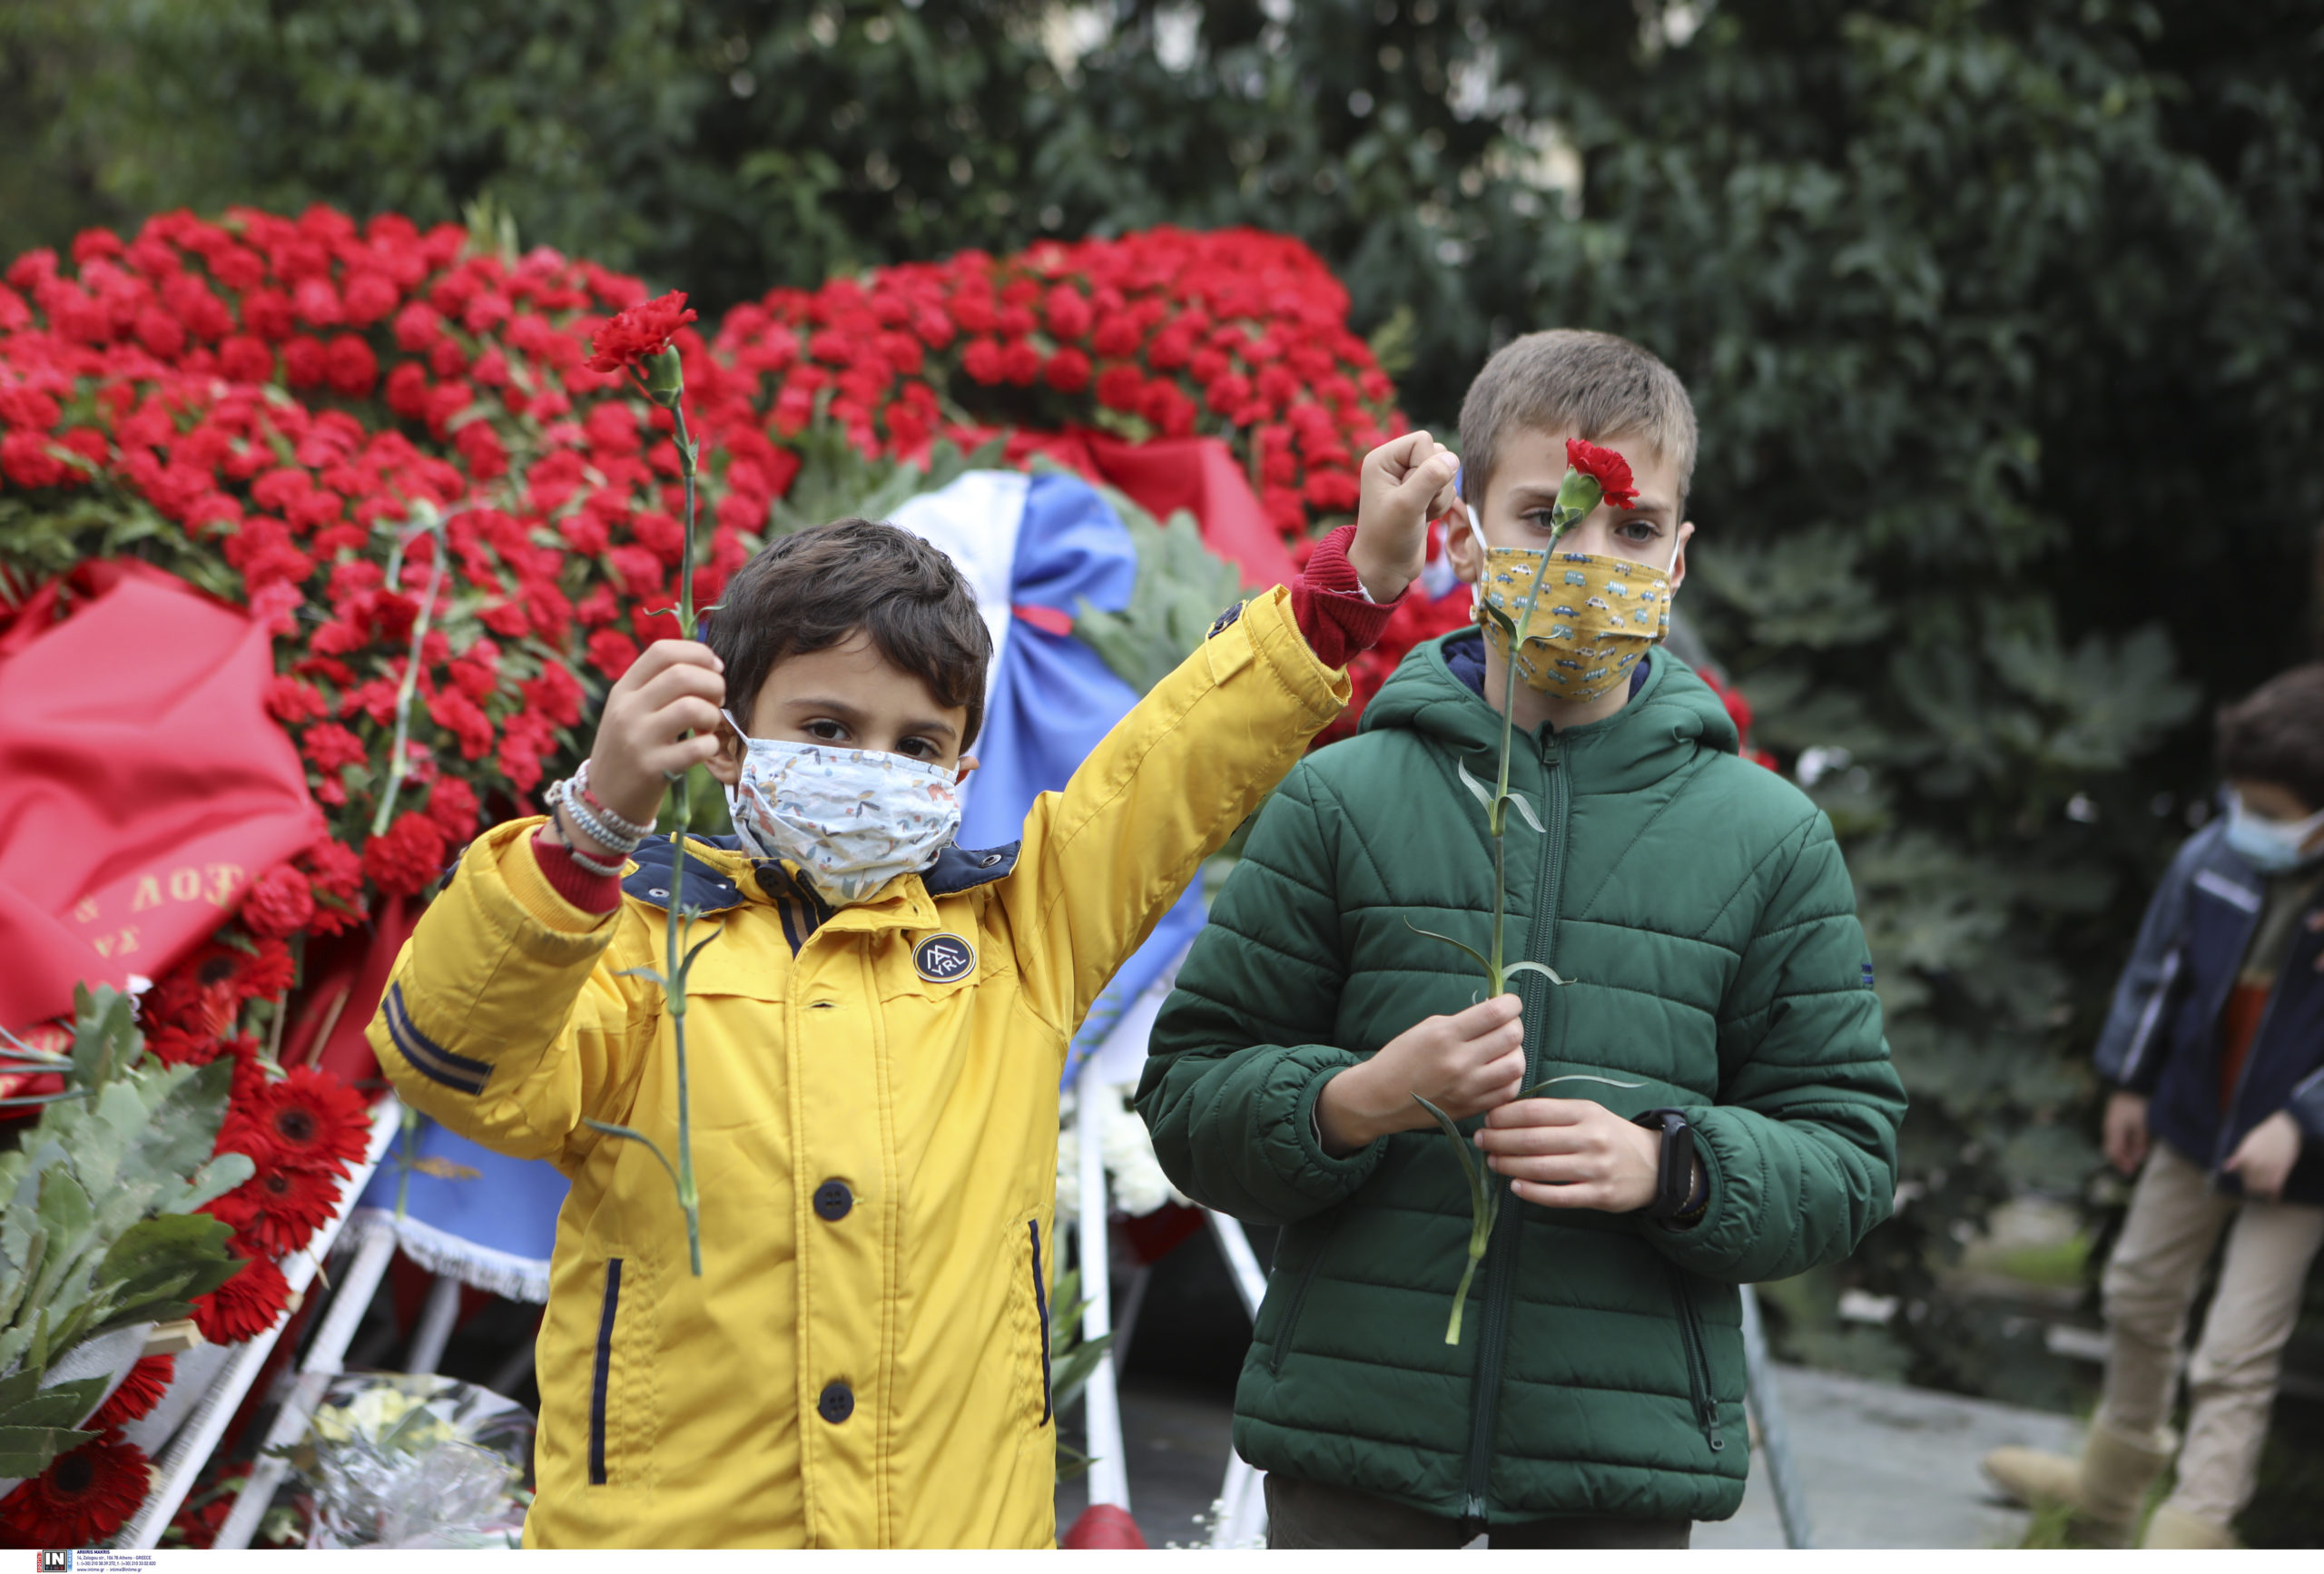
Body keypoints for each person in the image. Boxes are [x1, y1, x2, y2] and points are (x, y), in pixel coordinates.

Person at [362, 444, 1459, 1549]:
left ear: (961, 775)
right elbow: (458, 1062)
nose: (871, 765)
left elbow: (1172, 763)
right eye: (827, 730)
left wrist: (1351, 587)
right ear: (727, 745)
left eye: (916, 744)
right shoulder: (638, 943)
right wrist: (594, 824)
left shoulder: (1023, 935)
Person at [1137, 329, 1907, 1549]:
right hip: (1358, 1445)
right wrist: (1354, 1101)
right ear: (1463, 535)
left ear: (1678, 556)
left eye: (1633, 528)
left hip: (1612, 1473)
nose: (1589, 556)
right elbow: (1187, 1099)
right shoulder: (1341, 801)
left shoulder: (1769, 838)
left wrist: (1674, 1167)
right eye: (1548, 517)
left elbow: (1851, 1154)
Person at [1983, 666, 2324, 1549]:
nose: (2248, 822)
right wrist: (2130, 1083)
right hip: (2192, 1121)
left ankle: (2196, 1524)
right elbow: (2157, 971)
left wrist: (2301, 1121)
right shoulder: (2211, 859)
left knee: (2237, 1348)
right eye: (2241, 801)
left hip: (2300, 1167)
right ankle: (2108, 1488)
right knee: (2138, 1291)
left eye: (2272, 812)